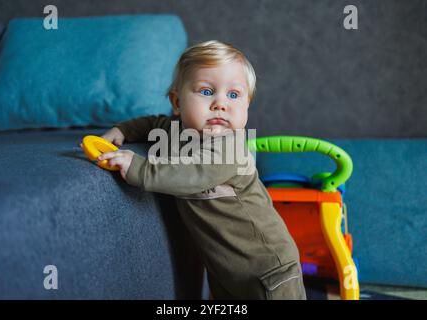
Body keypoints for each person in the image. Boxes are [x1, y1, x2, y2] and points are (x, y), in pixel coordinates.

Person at [94, 40, 306, 299]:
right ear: (177, 102)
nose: (220, 103)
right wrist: (123, 130)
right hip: (224, 268)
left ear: (247, 105)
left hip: (267, 269)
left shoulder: (230, 147)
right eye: (206, 92)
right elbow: (153, 123)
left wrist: (137, 167)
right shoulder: (178, 131)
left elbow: (191, 174)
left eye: (233, 95)